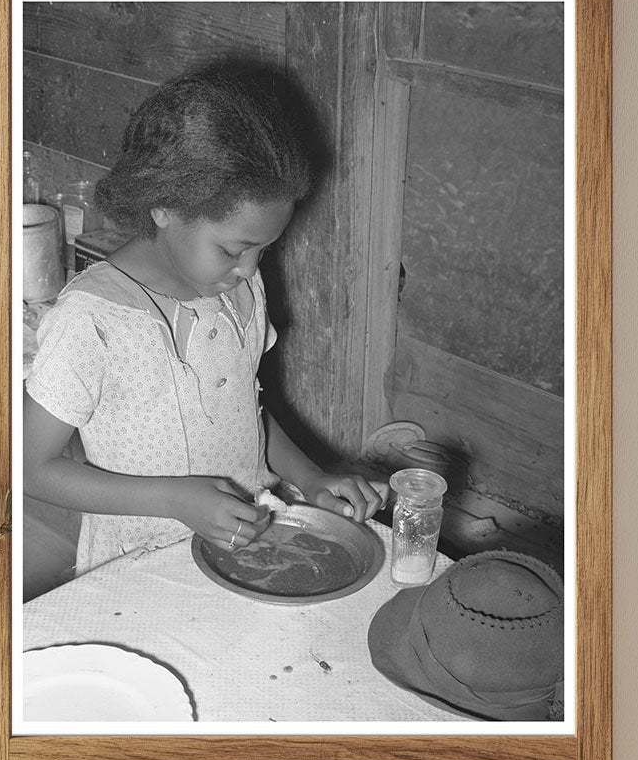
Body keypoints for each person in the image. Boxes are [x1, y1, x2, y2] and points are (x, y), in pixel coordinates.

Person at [24, 66, 383, 577]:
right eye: (235, 248)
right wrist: (175, 500)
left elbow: (242, 406)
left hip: (247, 543)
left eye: (264, 249)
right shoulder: (93, 322)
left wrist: (310, 476)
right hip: (138, 565)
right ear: (164, 206)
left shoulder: (237, 291)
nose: (251, 269)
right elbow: (30, 467)